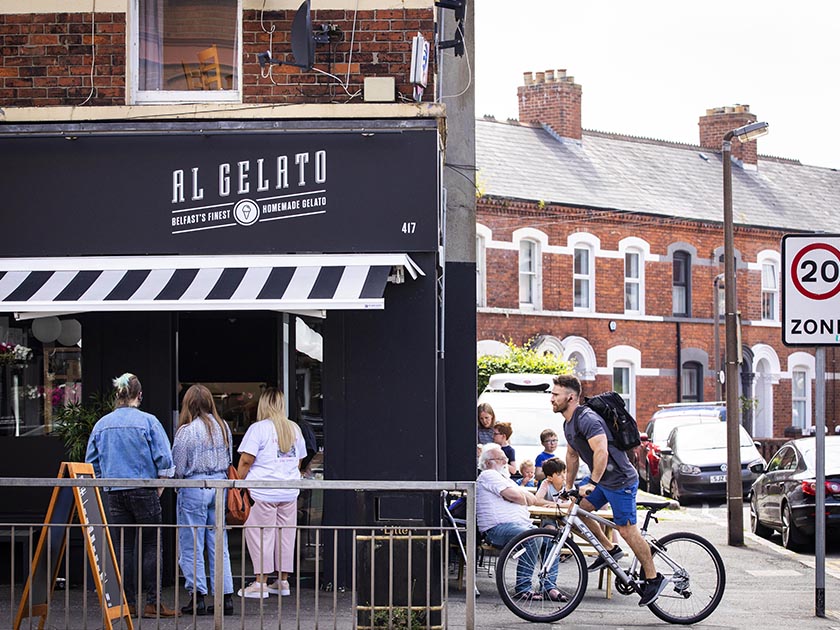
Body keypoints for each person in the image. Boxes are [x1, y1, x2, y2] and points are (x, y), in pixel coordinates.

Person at [551, 374, 667, 607]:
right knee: (574, 513)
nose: (551, 398)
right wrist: (569, 487)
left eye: (555, 394)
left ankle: (654, 578)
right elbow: (572, 456)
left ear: (570, 397)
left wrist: (592, 482)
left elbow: (601, 451)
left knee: (627, 530)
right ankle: (609, 549)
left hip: (621, 480)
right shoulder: (568, 423)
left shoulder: (588, 420)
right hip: (603, 480)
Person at [85, 373, 179, 619]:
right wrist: (160, 487)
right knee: (151, 545)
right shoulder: (148, 422)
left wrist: (106, 483)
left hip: (115, 491)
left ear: (117, 395)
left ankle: (126, 602)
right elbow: (165, 460)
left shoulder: (102, 424)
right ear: (139, 395)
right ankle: (152, 603)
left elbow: (90, 464)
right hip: (144, 488)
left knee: (123, 547)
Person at [236, 388, 307, 599]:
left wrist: (238, 484)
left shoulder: (258, 429)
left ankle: (260, 584)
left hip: (262, 492)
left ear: (263, 405)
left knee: (261, 535)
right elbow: (299, 460)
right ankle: (282, 581)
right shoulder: (294, 428)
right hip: (288, 492)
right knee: (286, 535)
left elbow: (246, 460)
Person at [172, 384, 234, 616]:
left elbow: (178, 467)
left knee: (192, 544)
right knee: (219, 541)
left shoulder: (186, 431)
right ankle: (225, 596)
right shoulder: (223, 426)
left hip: (194, 487)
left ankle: (197, 597)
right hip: (219, 486)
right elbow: (228, 459)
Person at [476, 443, 565, 602]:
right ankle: (523, 589)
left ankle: (548, 586)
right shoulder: (489, 474)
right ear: (488, 462)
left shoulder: (504, 478)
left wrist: (520, 497)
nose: (506, 461)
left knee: (553, 540)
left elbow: (530, 498)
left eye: (506, 458)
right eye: (501, 458)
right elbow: (517, 496)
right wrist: (521, 497)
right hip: (497, 529)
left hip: (517, 526)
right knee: (533, 537)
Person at [533, 457, 568, 528]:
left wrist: (556, 505)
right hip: (548, 515)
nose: (563, 476)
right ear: (550, 478)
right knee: (549, 528)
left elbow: (573, 504)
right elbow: (537, 500)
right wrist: (555, 504)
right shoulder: (546, 483)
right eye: (559, 474)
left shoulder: (568, 484)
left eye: (564, 472)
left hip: (565, 515)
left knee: (564, 530)